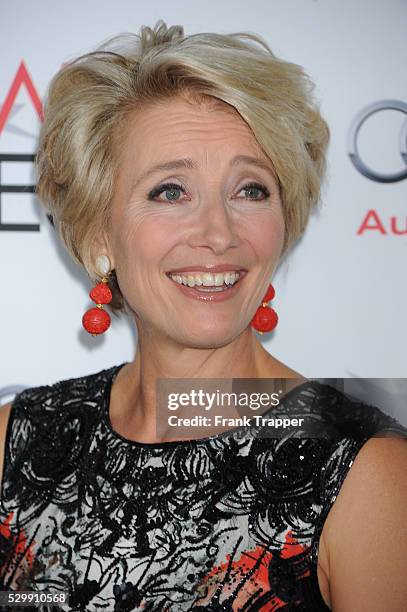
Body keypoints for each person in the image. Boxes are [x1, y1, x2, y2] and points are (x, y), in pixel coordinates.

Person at [0, 19, 406, 612]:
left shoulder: (370, 476)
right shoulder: (17, 439)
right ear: (97, 236)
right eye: (170, 191)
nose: (218, 234)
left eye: (250, 190)